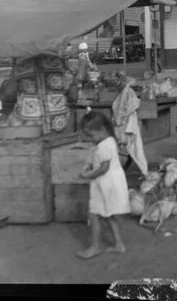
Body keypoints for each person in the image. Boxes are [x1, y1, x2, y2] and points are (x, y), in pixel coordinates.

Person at [77, 110, 130, 259]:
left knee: (94, 215)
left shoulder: (105, 146)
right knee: (108, 215)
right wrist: (89, 165)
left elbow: (103, 168)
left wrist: (88, 175)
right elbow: (97, 160)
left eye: (91, 135)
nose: (90, 139)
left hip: (105, 184)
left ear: (102, 130)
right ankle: (119, 244)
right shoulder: (107, 141)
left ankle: (95, 246)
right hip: (107, 184)